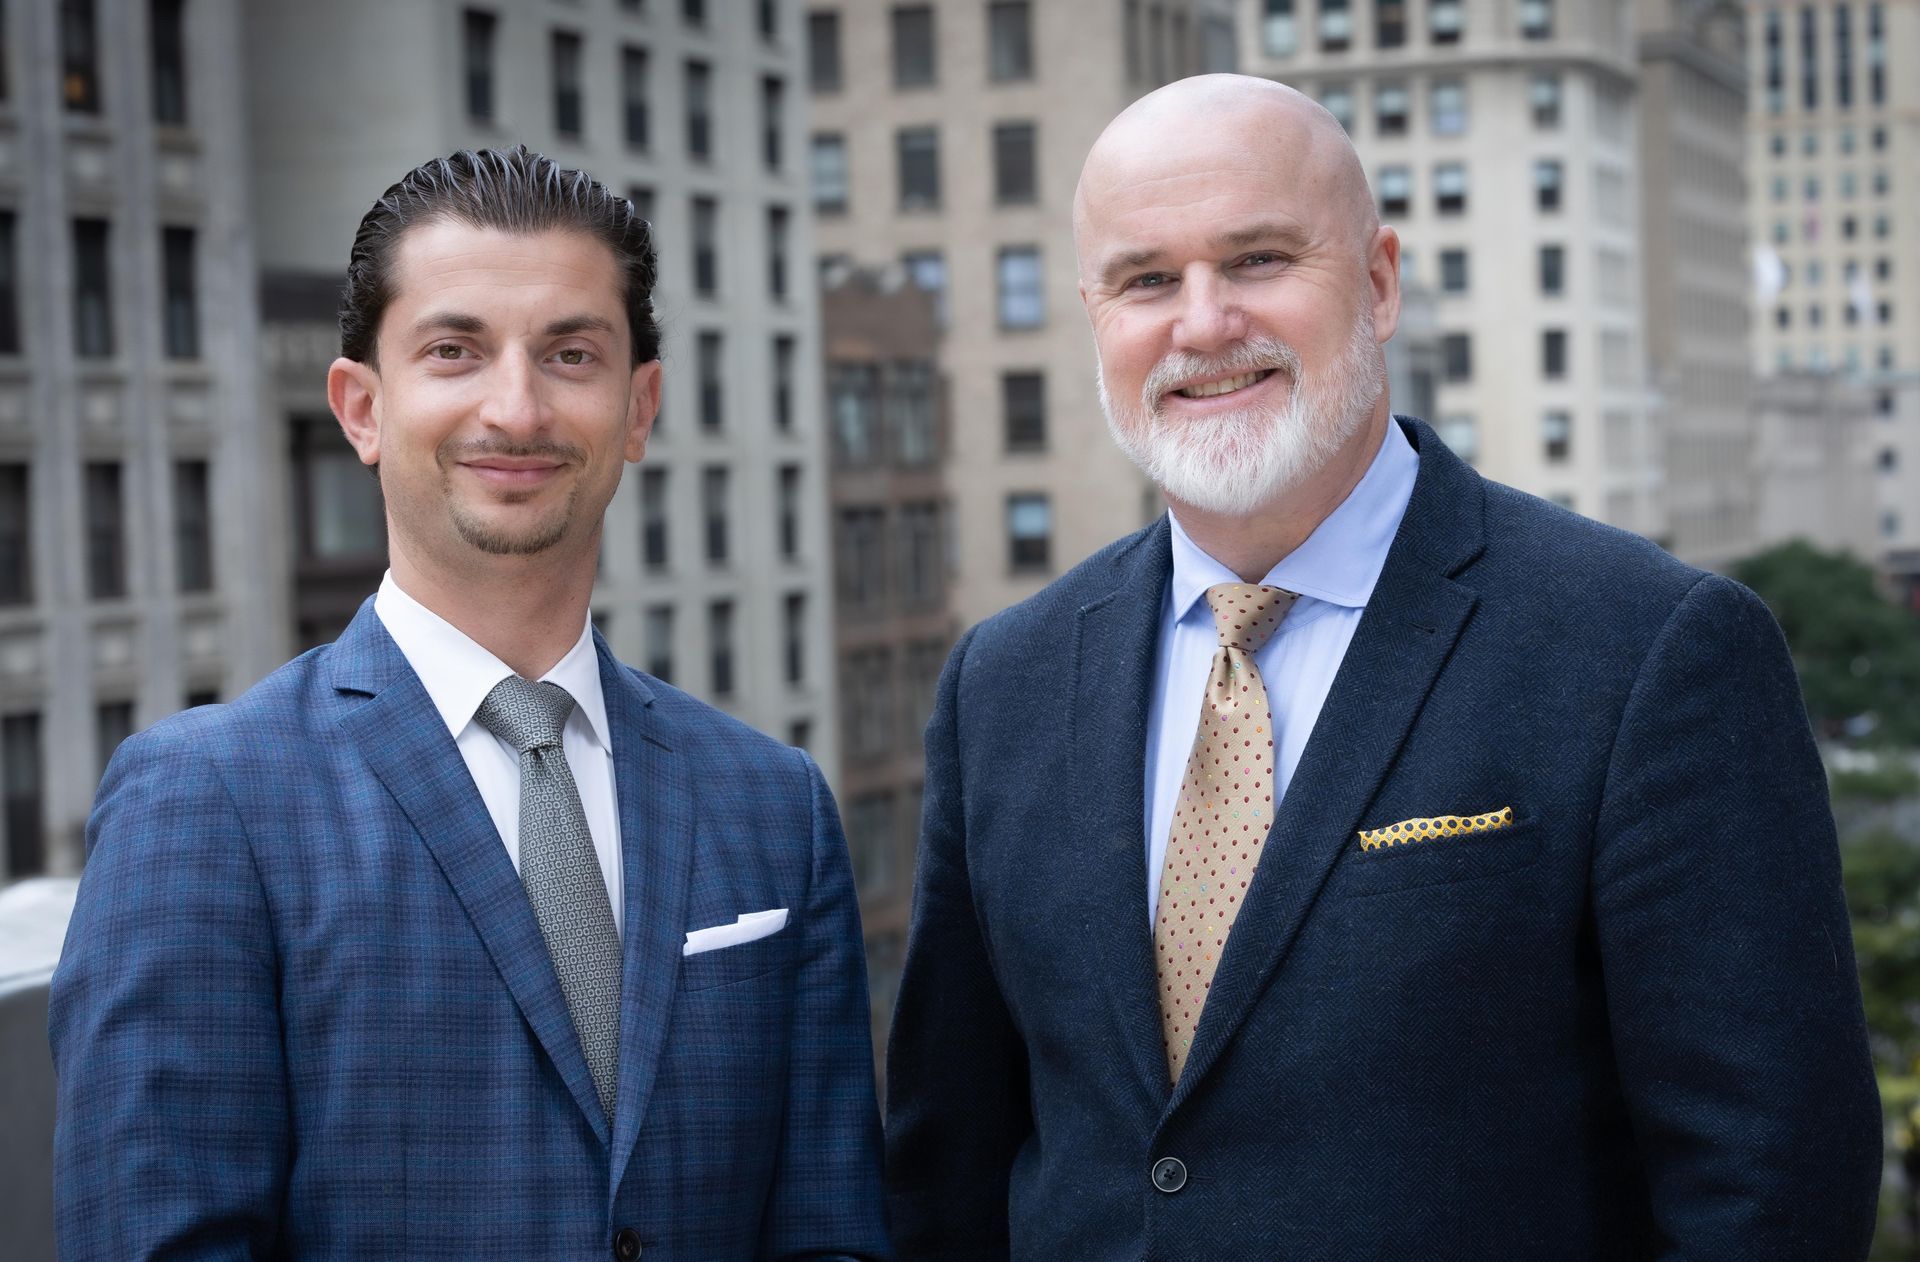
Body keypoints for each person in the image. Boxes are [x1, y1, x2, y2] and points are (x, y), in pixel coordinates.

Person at [884, 75, 1882, 1259]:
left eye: (1258, 259)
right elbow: (948, 1168)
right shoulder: (1004, 680)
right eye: (1148, 279)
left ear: (1380, 280)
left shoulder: (1650, 649)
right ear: (1094, 311)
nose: (1202, 323)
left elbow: (1770, 1188)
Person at [50, 146, 890, 1260]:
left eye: (570, 353)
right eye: (454, 350)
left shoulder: (773, 803)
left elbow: (834, 1231)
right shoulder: (205, 804)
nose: (517, 405)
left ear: (639, 408)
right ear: (360, 407)